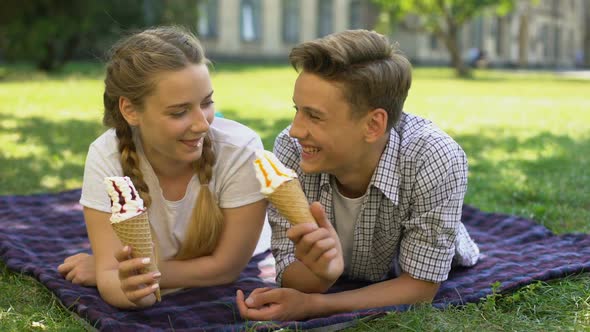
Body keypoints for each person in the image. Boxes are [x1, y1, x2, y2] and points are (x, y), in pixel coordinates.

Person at [237, 29, 479, 321]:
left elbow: (420, 286)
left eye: (314, 116)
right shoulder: (291, 148)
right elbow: (291, 274)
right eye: (297, 110)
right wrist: (321, 273)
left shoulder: (435, 158)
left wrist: (316, 306)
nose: (296, 130)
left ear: (373, 125)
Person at [57, 26, 269, 309]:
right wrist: (129, 291)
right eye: (179, 111)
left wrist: (116, 271)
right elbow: (114, 279)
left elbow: (226, 268)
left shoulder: (240, 151)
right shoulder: (106, 156)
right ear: (130, 110)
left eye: (207, 103)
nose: (203, 124)